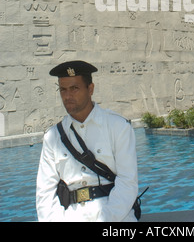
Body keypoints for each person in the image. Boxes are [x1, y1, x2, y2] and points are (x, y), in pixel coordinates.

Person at [36, 60, 138, 222]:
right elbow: (45, 193)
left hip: (115, 217)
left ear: (90, 89)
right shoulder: (52, 137)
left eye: (74, 88)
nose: (67, 96)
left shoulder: (117, 126)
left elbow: (127, 183)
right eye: (63, 90)